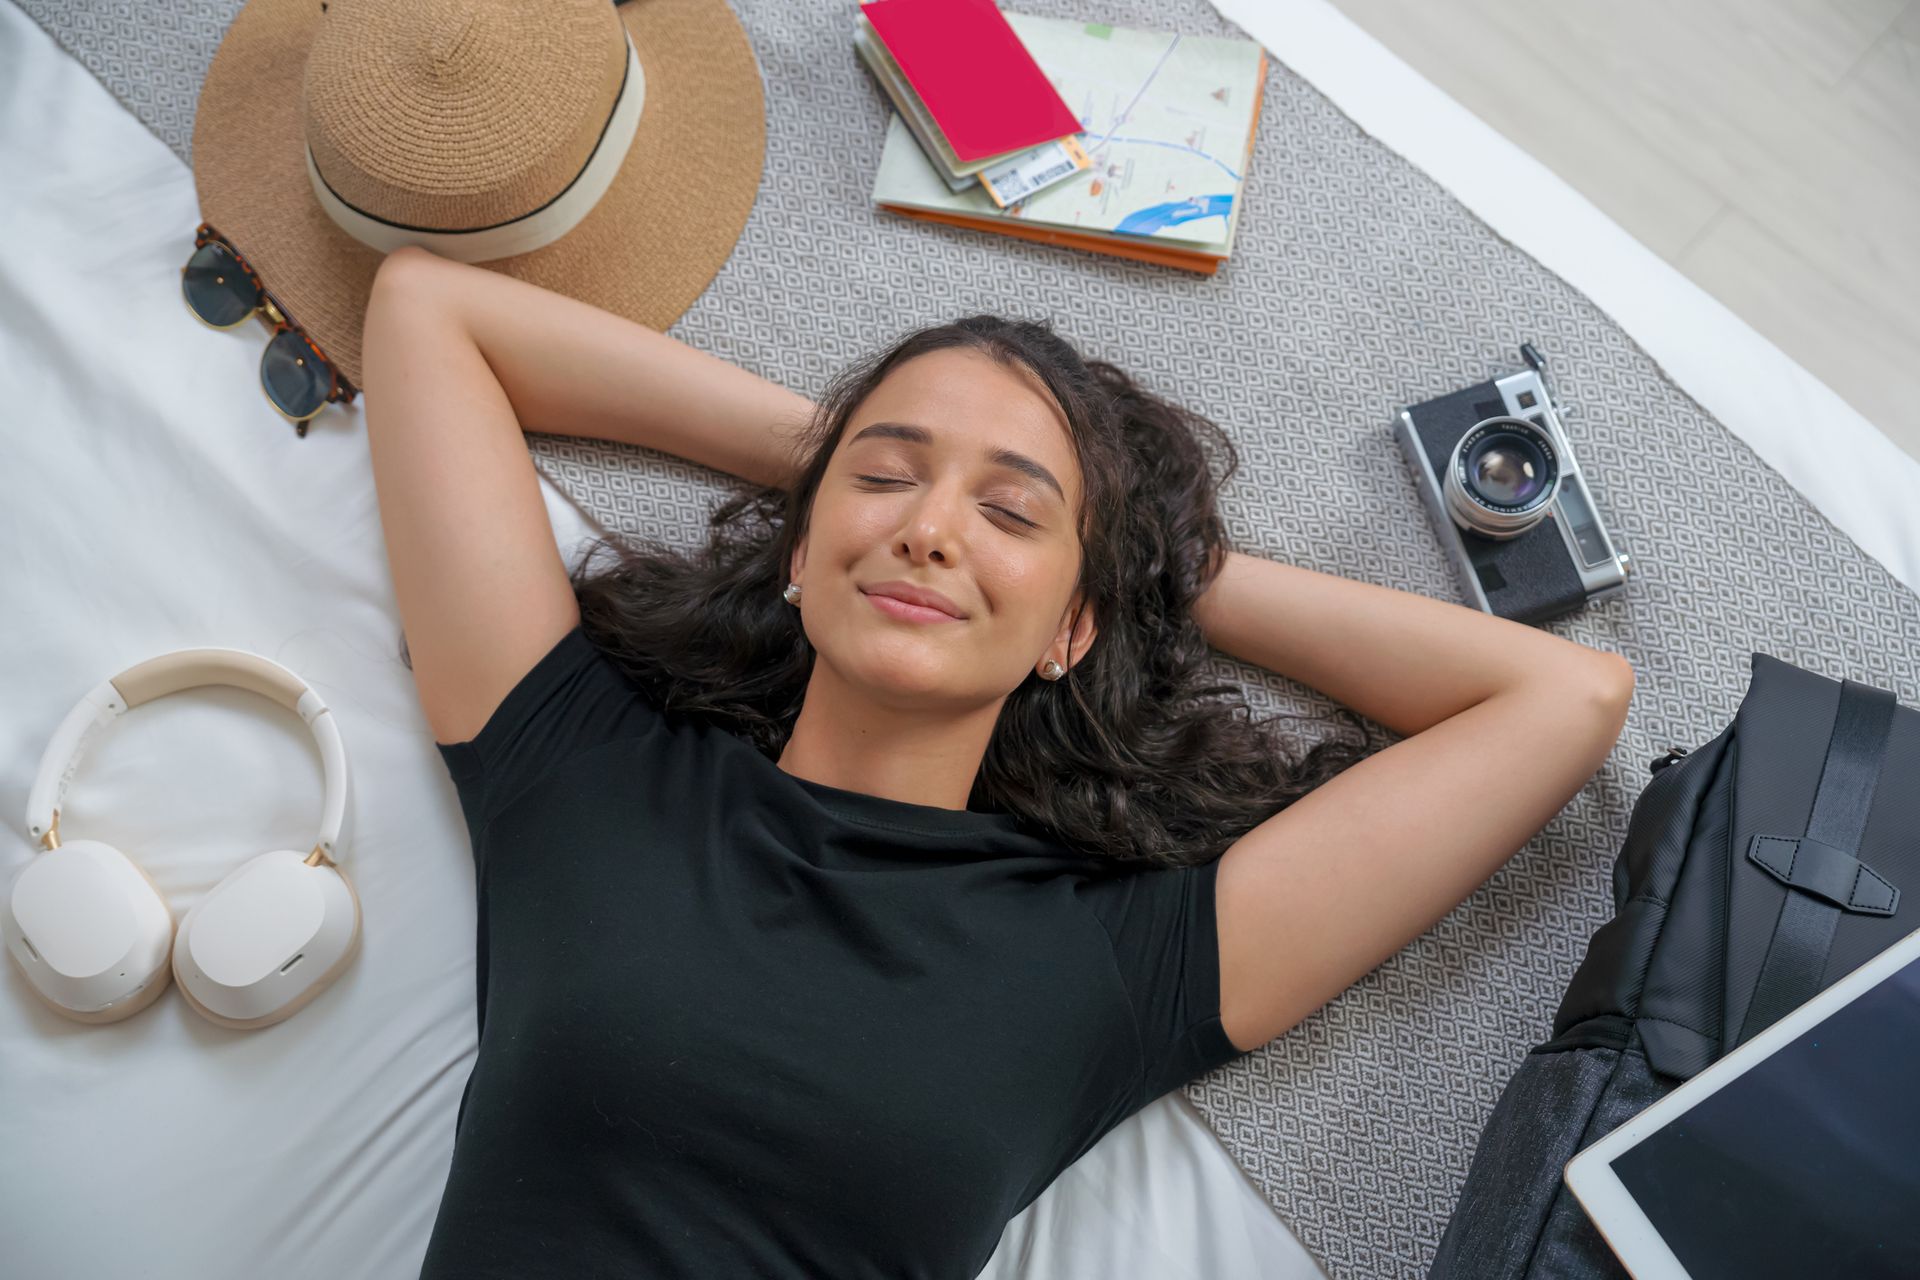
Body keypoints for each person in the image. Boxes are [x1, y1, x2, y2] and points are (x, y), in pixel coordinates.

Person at [362, 244, 1634, 1278]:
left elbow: (1562, 693)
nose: (927, 529)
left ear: (1072, 629)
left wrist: (1144, 569)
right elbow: (430, 311)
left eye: (1010, 513)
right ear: (800, 553)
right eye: (887, 478)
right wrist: (828, 470)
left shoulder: (1122, 960)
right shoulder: (577, 768)